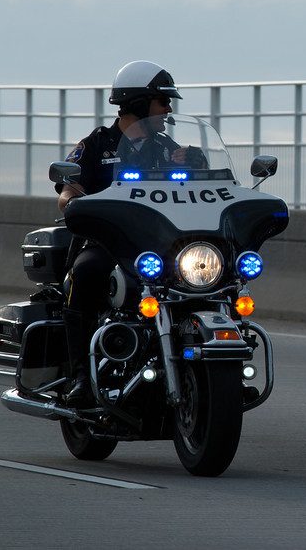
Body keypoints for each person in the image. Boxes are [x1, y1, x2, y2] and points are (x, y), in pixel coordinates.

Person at [56, 60, 183, 403]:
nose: (168, 109)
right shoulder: (97, 143)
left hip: (162, 245)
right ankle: (81, 377)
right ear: (139, 103)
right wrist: (72, 199)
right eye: (162, 101)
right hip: (110, 244)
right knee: (85, 273)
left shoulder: (167, 149)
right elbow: (68, 189)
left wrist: (194, 165)